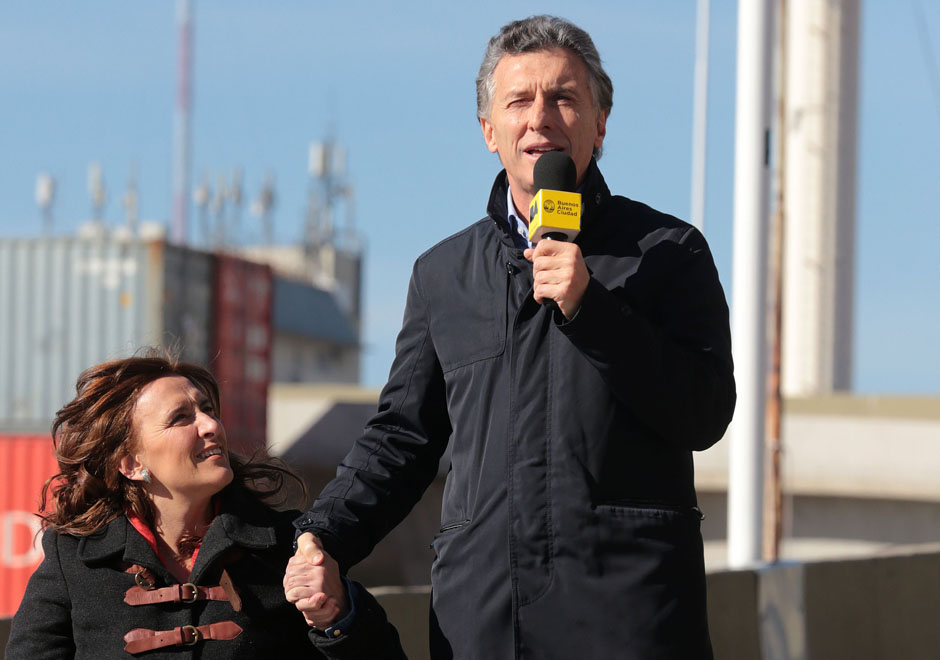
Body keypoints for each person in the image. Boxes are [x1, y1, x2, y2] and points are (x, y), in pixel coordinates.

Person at [292, 14, 735, 659]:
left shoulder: (669, 252)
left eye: (564, 98)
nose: (540, 118)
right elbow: (401, 440)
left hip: (628, 620)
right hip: (484, 624)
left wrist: (591, 308)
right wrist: (325, 535)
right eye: (519, 101)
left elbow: (704, 410)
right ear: (488, 130)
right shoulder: (442, 275)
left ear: (600, 124)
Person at [5, 355, 406, 660]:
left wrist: (338, 616)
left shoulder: (290, 544)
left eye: (208, 409)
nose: (211, 425)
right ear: (131, 464)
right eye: (181, 418)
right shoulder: (73, 557)